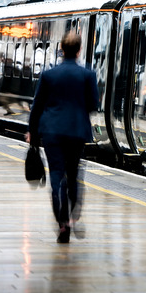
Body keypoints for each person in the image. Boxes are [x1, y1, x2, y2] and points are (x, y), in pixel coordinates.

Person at [26, 31, 99, 244]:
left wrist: (32, 131)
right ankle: (74, 216)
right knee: (74, 174)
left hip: (52, 132)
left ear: (61, 48)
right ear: (78, 50)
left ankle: (62, 224)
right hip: (76, 131)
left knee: (56, 175)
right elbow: (93, 105)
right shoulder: (88, 75)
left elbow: (37, 106)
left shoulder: (49, 75)